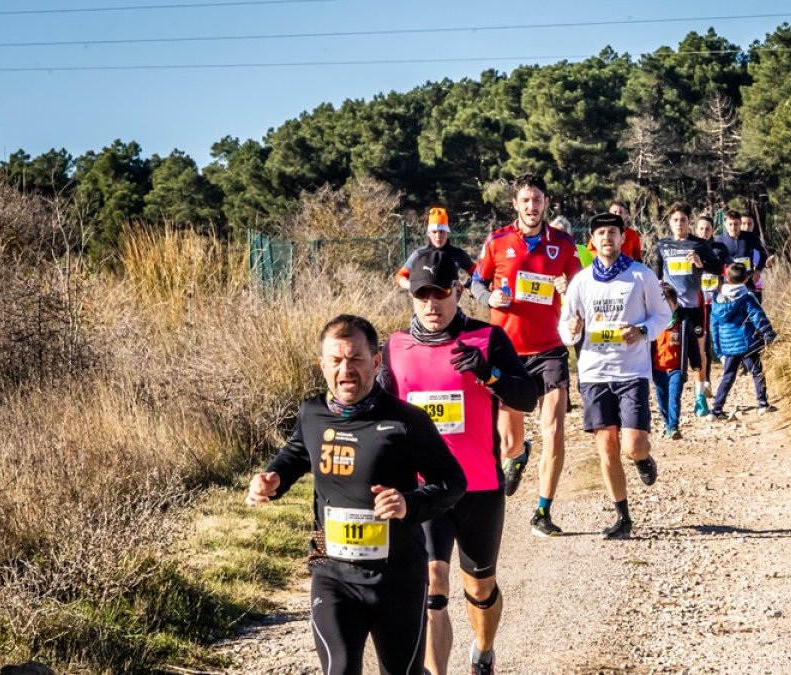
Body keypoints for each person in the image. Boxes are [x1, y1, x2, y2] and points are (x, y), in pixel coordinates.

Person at [246, 315, 467, 675]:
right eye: (335, 360)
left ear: (376, 362)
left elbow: (453, 482)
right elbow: (297, 453)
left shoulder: (406, 421)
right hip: (333, 575)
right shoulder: (312, 414)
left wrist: (408, 503)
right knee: (340, 669)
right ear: (322, 364)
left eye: (356, 359)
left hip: (398, 579)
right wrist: (274, 479)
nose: (345, 370)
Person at [380, 251, 537, 675]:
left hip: (479, 487)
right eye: (422, 295)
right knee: (433, 588)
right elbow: (377, 415)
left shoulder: (488, 338)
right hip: (424, 489)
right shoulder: (395, 347)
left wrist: (490, 374)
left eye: (441, 293)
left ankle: (483, 652)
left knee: (480, 588)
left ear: (458, 291)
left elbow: (527, 397)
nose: (432, 304)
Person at [470, 173, 581, 537]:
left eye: (537, 200)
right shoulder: (497, 241)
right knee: (508, 441)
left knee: (554, 429)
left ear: (546, 203)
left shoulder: (563, 243)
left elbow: (580, 286)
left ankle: (543, 512)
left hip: (550, 350)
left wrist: (568, 287)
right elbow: (476, 282)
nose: (532, 206)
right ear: (515, 204)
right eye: (526, 200)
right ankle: (518, 455)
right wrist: (489, 297)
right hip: (507, 352)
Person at [558, 212, 670, 539]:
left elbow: (663, 315)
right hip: (594, 372)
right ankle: (623, 518)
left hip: (631, 371)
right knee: (607, 446)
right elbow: (565, 326)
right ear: (592, 241)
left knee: (632, 446)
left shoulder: (641, 275)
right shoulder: (581, 281)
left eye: (612, 232)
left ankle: (642, 458)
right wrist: (572, 329)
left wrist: (642, 330)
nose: (606, 238)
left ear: (623, 238)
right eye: (600, 233)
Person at [654, 202, 723, 418]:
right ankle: (669, 397)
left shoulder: (699, 244)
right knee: (668, 350)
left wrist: (701, 263)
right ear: (669, 222)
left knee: (699, 351)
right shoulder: (663, 245)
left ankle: (700, 396)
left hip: (694, 305)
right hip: (671, 308)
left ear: (689, 222)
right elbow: (656, 274)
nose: (679, 224)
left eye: (683, 220)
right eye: (675, 220)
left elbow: (718, 267)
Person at [709, 263, 778, 419]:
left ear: (726, 278)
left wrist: (718, 348)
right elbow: (758, 317)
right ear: (746, 279)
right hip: (748, 344)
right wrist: (769, 334)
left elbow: (714, 326)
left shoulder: (717, 300)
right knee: (757, 373)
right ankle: (762, 404)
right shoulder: (746, 298)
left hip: (728, 347)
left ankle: (716, 410)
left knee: (728, 376)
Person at [396, 207, 476, 291]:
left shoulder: (458, 254)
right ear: (428, 233)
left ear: (447, 233)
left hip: (450, 299)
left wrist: (466, 285)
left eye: (441, 231)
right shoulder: (419, 254)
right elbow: (400, 276)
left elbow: (478, 275)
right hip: (425, 299)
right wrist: (413, 286)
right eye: (434, 232)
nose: (438, 236)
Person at [694, 214, 732, 388]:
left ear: (713, 230)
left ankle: (727, 361)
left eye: (707, 229)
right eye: (701, 228)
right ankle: (706, 379)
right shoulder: (691, 247)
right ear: (696, 230)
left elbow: (728, 266)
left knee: (716, 336)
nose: (704, 232)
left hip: (716, 300)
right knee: (704, 341)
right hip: (697, 301)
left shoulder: (719, 248)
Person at [651, 283, 686, 439]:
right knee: (662, 399)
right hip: (658, 369)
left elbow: (691, 344)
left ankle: (673, 427)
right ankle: (667, 423)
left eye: (668, 306)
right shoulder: (653, 325)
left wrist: (696, 362)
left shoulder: (682, 323)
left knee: (674, 398)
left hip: (676, 369)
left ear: (675, 305)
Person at [716, 209, 770, 303]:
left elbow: (763, 254)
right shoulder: (719, 240)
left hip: (748, 281)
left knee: (752, 308)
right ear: (725, 224)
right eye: (730, 224)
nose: (733, 227)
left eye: (736, 224)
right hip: (729, 284)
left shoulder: (750, 237)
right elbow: (717, 263)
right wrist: (720, 281)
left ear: (740, 223)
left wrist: (758, 270)